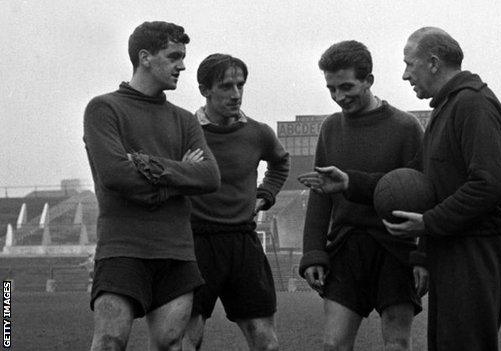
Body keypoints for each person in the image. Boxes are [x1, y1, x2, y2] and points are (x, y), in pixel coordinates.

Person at [299, 27, 501, 351]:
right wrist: (350, 185)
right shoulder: (446, 109)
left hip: (468, 247)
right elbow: (415, 183)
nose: (405, 75)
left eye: (410, 64)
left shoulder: (471, 105)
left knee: (461, 344)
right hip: (447, 243)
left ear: (433, 63)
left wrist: (426, 229)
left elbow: (484, 185)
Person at [83, 21, 221, 351]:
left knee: (170, 344)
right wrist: (180, 175)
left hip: (175, 250)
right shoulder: (103, 108)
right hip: (122, 248)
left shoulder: (186, 119)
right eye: (174, 56)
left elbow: (209, 177)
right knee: (109, 341)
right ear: (145, 57)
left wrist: (148, 166)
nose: (183, 65)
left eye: (183, 57)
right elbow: (115, 174)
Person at [297, 40, 426, 351]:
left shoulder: (406, 127)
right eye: (331, 88)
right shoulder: (330, 128)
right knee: (333, 344)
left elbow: (425, 196)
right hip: (346, 247)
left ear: (368, 80)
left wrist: (424, 256)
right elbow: (320, 193)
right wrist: (313, 252)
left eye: (347, 86)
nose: (339, 97)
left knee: (397, 344)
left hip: (395, 250)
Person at [181, 54, 289, 351]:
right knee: (187, 338)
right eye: (226, 86)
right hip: (195, 242)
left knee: (265, 341)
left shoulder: (258, 132)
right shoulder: (185, 130)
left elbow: (280, 163)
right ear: (205, 89)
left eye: (240, 85)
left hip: (243, 241)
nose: (236, 93)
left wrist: (264, 196)